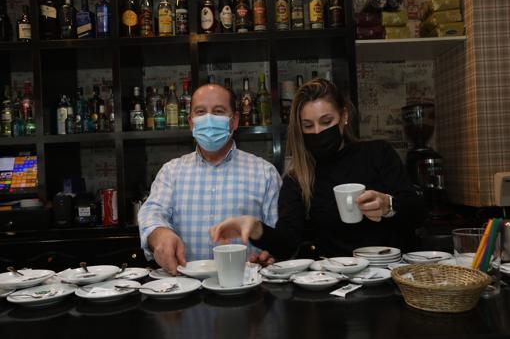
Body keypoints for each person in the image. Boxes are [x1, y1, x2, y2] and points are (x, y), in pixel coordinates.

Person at [210, 78, 424, 260]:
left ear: (344, 117)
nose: (319, 131)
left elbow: (416, 212)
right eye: (308, 126)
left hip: (389, 274)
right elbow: (286, 244)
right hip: (333, 284)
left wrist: (389, 205)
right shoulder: (297, 179)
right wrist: (255, 227)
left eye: (326, 121)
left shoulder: (377, 153)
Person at [138, 83, 282, 274]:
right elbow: (151, 213)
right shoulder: (171, 172)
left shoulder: (265, 173)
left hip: (246, 290)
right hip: (185, 289)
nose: (209, 118)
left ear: (234, 121)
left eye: (218, 111)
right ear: (191, 123)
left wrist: (272, 256)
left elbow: (281, 237)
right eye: (200, 111)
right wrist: (159, 234)